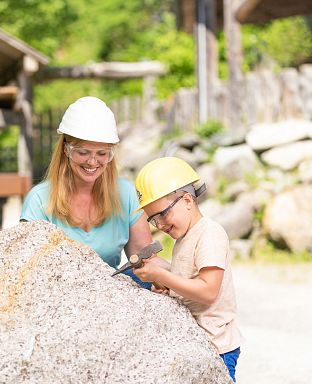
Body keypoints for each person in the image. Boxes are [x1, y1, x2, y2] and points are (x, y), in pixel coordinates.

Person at [20, 96, 152, 285]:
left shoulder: (126, 193)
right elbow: (28, 270)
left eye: (102, 154)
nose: (92, 162)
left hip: (111, 290)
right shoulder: (39, 199)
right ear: (66, 150)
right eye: (83, 152)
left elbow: (144, 261)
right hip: (58, 291)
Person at [131, 157, 242, 382]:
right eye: (153, 220)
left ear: (187, 199)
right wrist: (165, 278)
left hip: (218, 344)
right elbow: (189, 278)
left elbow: (208, 291)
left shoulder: (209, 234)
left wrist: (162, 275)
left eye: (163, 214)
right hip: (197, 341)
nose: (160, 225)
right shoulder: (185, 237)